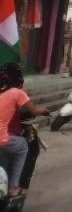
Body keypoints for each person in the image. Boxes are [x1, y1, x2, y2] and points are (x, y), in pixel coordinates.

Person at [0, 66, 49, 197]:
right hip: (5, 136)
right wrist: (45, 110)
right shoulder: (17, 92)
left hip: (8, 135)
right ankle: (13, 187)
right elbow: (34, 110)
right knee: (23, 147)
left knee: (4, 156)